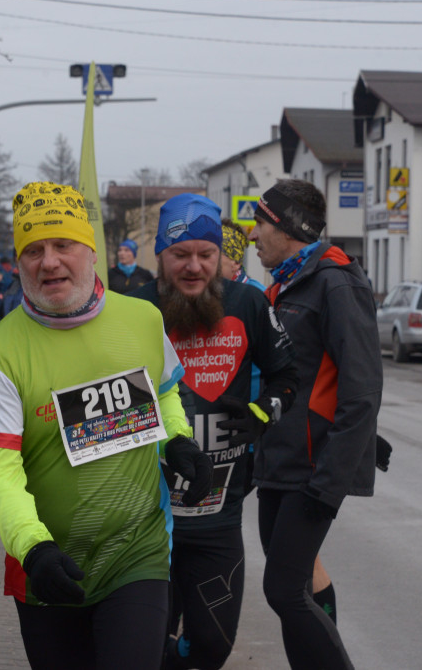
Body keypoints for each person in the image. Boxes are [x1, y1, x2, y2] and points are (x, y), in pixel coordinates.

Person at [0, 181, 213, 670]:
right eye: (33, 250)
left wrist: (178, 441)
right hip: (48, 566)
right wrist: (33, 549)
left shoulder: (143, 319)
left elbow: (164, 392)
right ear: (19, 263)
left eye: (63, 245)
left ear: (92, 253)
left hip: (137, 552)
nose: (49, 261)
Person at [132, 194, 297, 670]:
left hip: (218, 520)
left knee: (211, 647)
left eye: (205, 254)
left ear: (220, 255)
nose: (193, 266)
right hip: (145, 520)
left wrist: (265, 412)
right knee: (141, 646)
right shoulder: (133, 310)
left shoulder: (247, 303)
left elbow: (288, 377)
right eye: (180, 254)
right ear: (161, 256)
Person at [247, 179, 382, 670]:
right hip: (278, 462)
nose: (252, 232)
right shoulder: (284, 283)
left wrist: (331, 479)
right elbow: (304, 379)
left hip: (311, 471)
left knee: (282, 590)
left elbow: (361, 389)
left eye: (261, 222)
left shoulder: (336, 282)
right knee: (296, 585)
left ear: (289, 228)